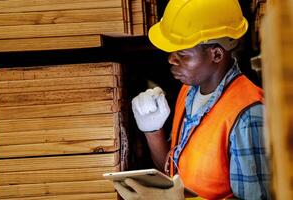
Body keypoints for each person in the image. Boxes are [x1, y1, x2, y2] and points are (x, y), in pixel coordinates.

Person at [114, 0, 271, 199]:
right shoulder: (189, 90)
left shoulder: (248, 116)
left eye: (182, 53)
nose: (171, 59)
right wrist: (152, 131)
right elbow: (177, 174)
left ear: (216, 54)